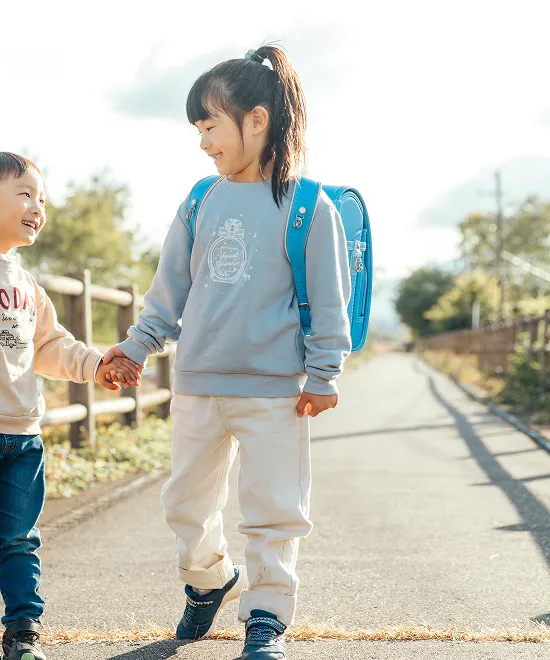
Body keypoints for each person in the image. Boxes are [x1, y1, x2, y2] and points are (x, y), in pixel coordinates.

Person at [104, 45, 352, 660]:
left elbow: (328, 300)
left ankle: (266, 614)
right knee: (185, 504)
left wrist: (324, 373)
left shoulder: (307, 205)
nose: (203, 141)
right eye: (199, 128)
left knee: (273, 509)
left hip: (276, 389)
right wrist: (136, 347)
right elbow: (169, 291)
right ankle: (210, 578)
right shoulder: (199, 200)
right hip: (197, 382)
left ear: (258, 120)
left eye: (210, 125)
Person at [0, 149, 141, 660]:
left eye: (42, 199)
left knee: (19, 540)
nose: (38, 207)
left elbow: (50, 346)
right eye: (25, 194)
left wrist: (97, 364)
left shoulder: (26, 284)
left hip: (23, 436)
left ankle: (23, 633)